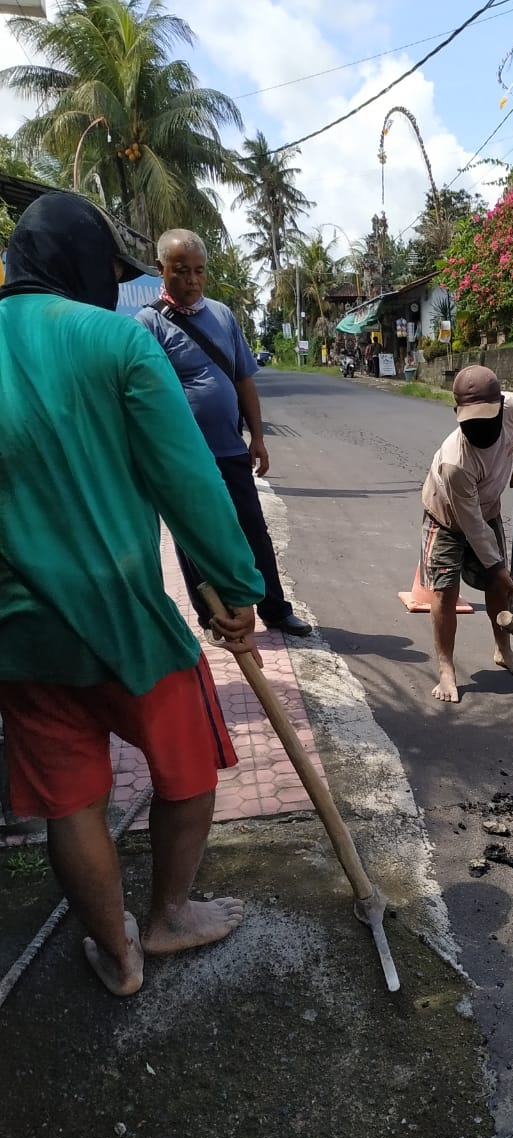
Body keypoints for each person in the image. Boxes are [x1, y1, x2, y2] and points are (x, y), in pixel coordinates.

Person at [0, 192, 266, 997]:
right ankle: (168, 914)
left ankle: (117, 957)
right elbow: (184, 480)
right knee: (189, 763)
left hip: (17, 628)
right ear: (81, 265)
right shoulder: (116, 340)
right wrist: (233, 585)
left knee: (68, 798)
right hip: (127, 614)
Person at [136, 229, 312, 637]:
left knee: (253, 528)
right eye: (181, 271)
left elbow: (243, 379)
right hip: (184, 457)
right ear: (161, 270)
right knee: (195, 539)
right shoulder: (147, 325)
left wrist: (259, 438)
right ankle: (212, 616)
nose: (193, 280)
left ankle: (275, 609)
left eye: (199, 271)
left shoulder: (222, 314)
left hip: (230, 448)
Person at [419, 365, 513, 703]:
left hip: (487, 508)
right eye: (472, 420)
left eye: (488, 416)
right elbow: (471, 527)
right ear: (458, 415)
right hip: (446, 516)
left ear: (500, 405)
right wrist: (502, 571)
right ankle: (446, 670)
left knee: (495, 586)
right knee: (445, 590)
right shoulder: (456, 462)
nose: (481, 426)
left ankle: (503, 649)